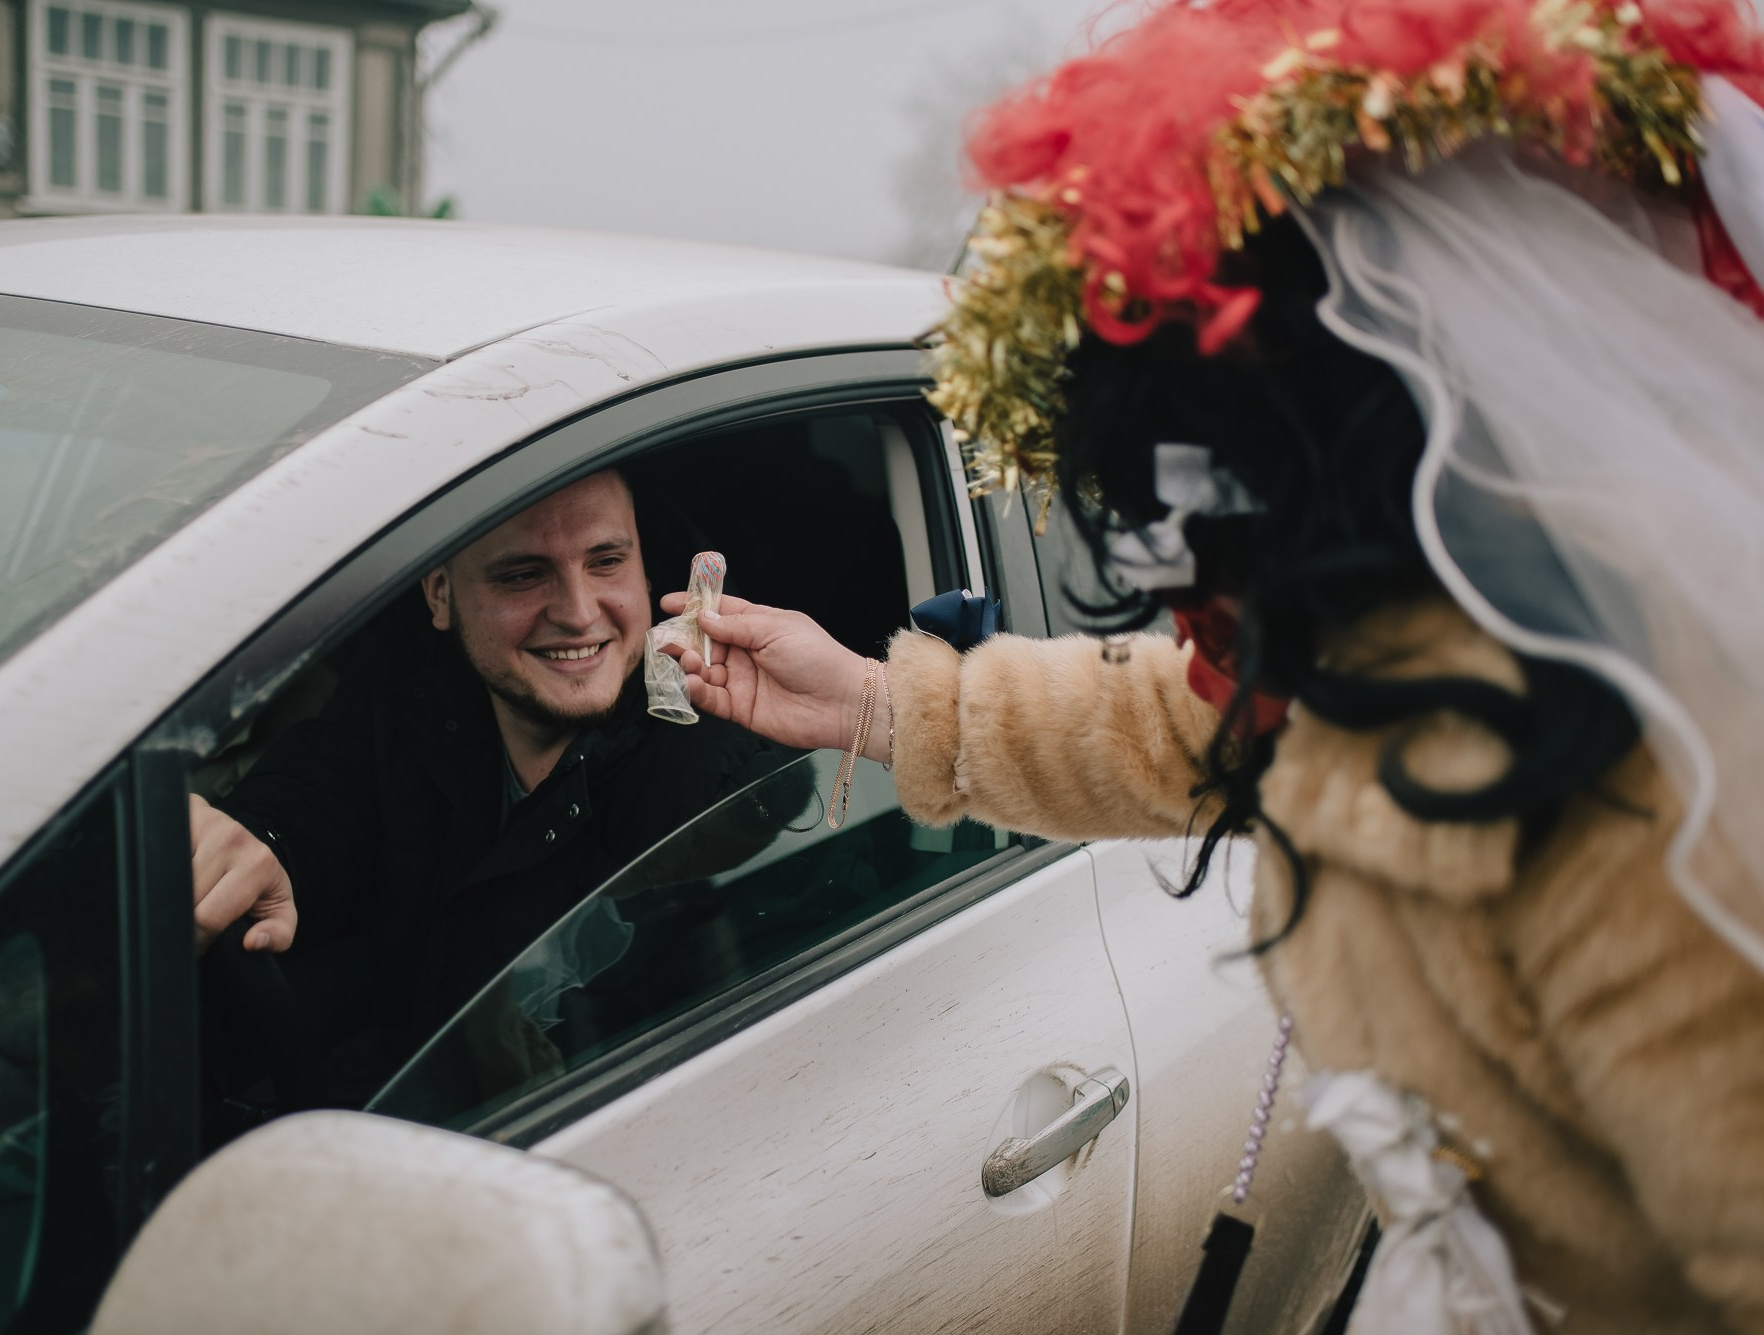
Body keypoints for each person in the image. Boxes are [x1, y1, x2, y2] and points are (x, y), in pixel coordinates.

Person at [663, 1, 1764, 1329]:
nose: (1169, 568)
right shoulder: (1386, 642)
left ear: (1336, 444)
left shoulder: (1636, 790)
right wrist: (872, 698)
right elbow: (1174, 719)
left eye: (1198, 490)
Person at [189, 469, 785, 1061]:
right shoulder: (417, 689)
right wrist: (255, 844)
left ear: (646, 572)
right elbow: (318, 791)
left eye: (606, 563)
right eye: (523, 575)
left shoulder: (702, 775)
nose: (579, 614)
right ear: (441, 596)